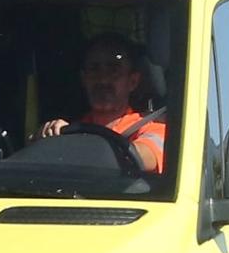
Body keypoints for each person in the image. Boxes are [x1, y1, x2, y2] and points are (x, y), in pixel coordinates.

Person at [37, 34, 167, 173]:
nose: (103, 79)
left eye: (113, 69)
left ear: (132, 81)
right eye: (94, 69)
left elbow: (140, 159)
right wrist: (48, 139)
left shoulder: (153, 129)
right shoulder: (69, 130)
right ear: (84, 79)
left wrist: (69, 148)